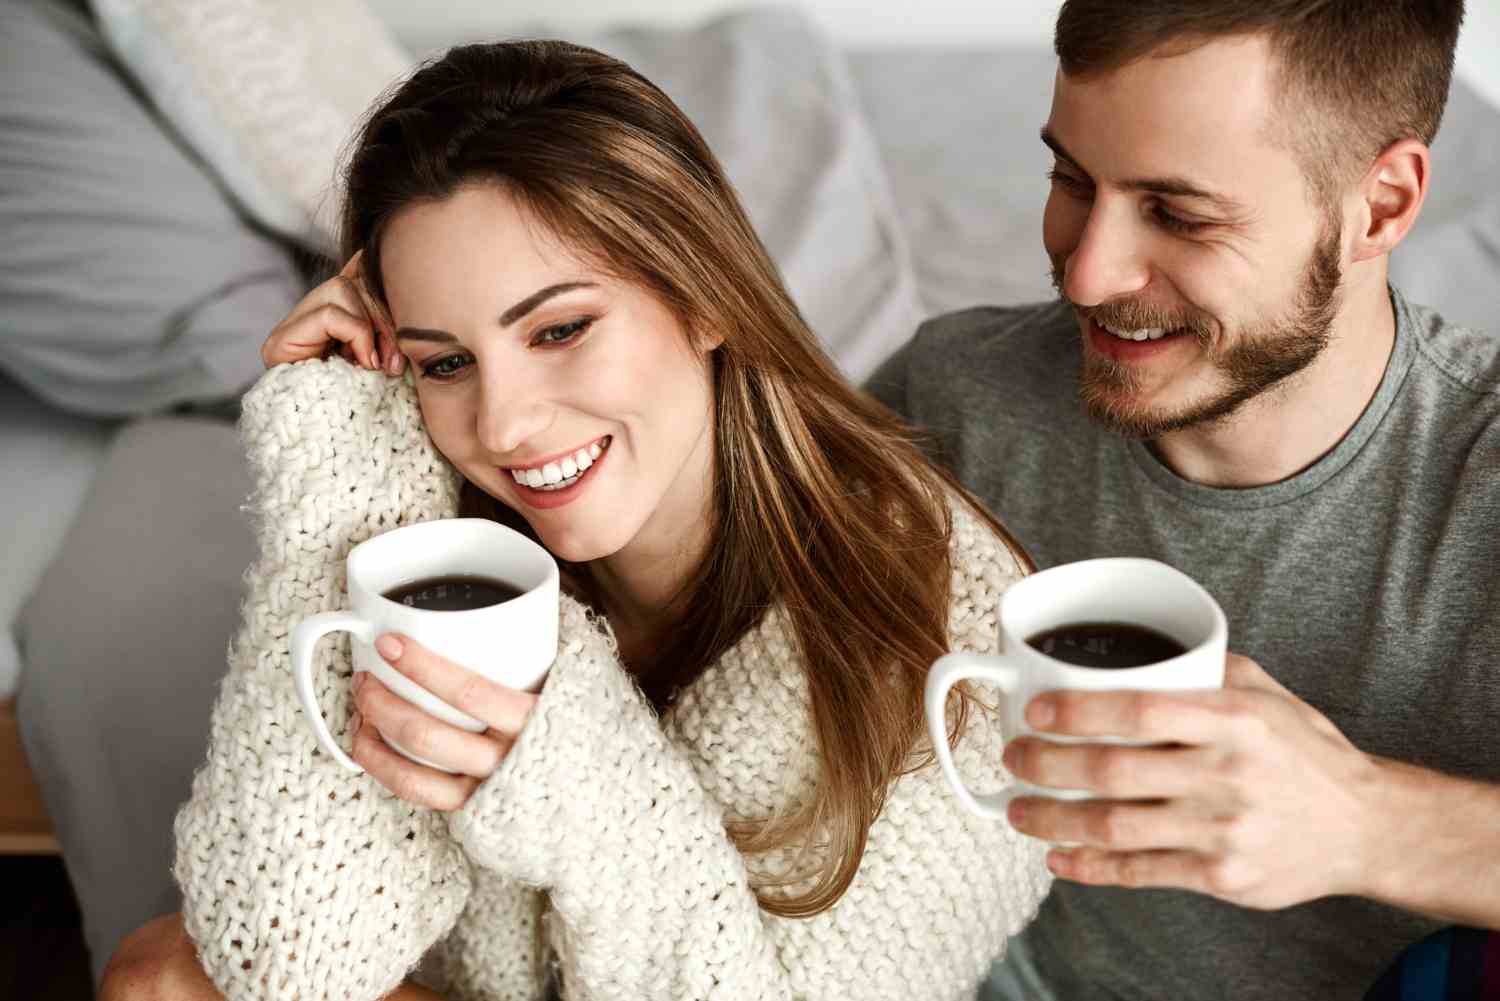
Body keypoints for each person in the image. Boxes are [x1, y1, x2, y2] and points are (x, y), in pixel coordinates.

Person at [97, 39, 1053, 1001]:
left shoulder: (948, 640)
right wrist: (337, 487)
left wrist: (583, 791)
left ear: (705, 294)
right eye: (444, 362)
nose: (504, 424)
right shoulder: (440, 532)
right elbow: (288, 955)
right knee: (161, 981)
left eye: (559, 329)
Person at [866, 0, 1500, 998]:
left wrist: (1373, 822)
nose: (1087, 273)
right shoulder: (956, 395)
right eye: (1071, 180)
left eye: (1178, 212)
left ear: (1380, 205)